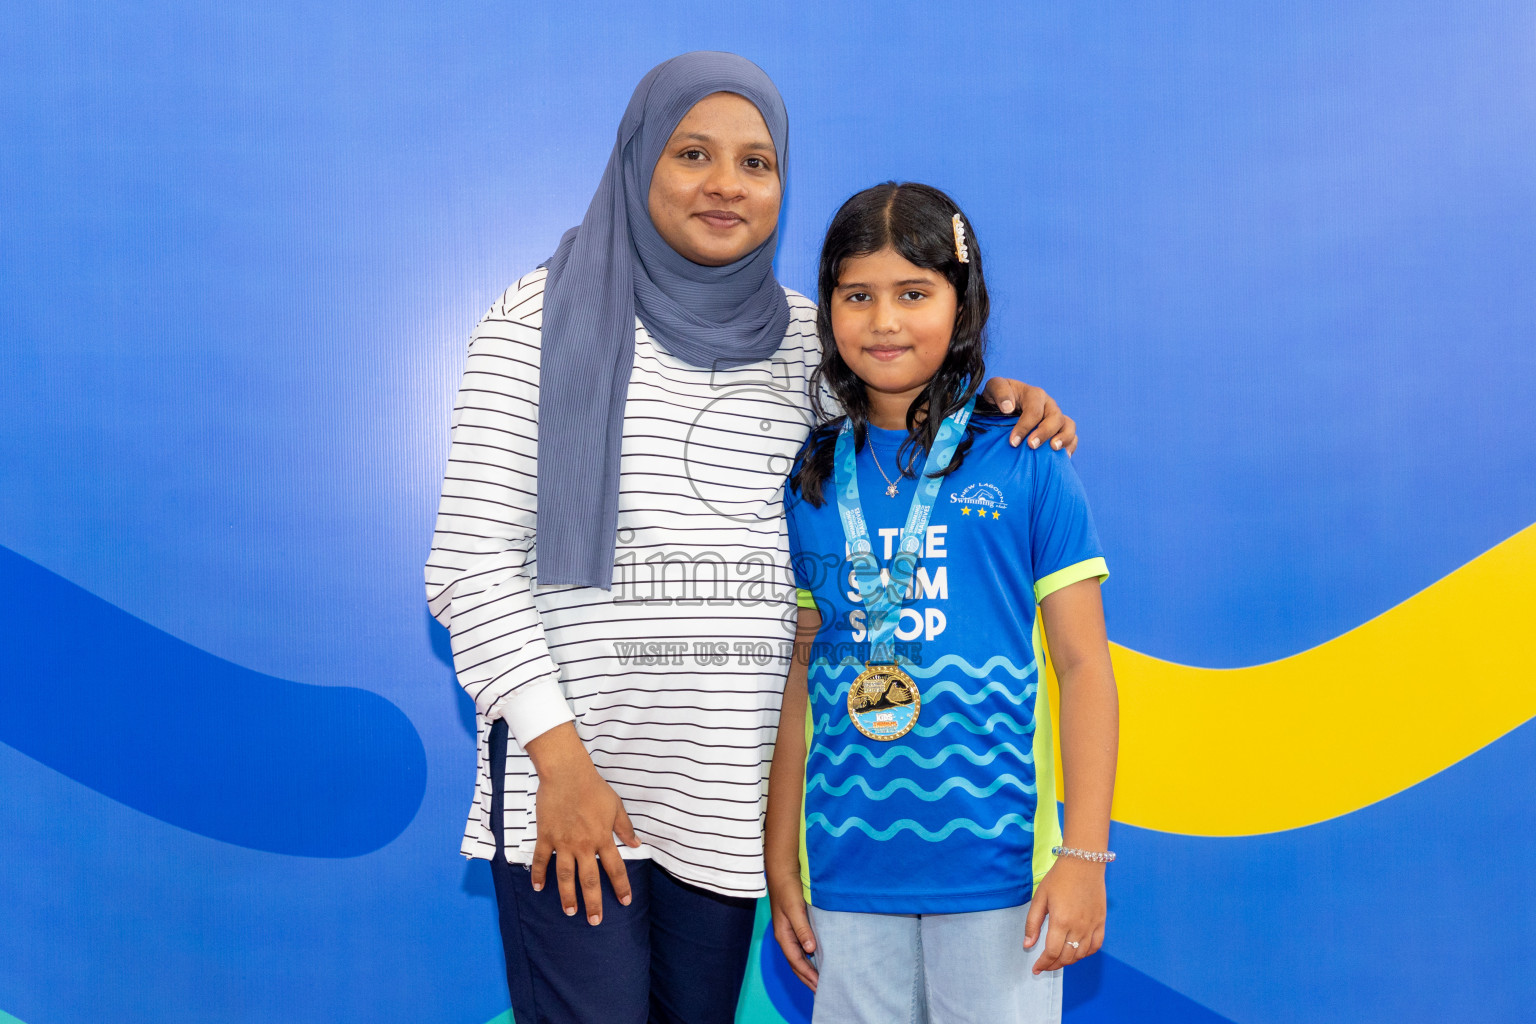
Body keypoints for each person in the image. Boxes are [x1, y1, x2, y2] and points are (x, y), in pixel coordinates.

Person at [425, 54, 1080, 1024]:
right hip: (575, 792)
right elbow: (469, 570)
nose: (726, 183)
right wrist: (558, 764)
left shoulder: (809, 349)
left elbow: (903, 392)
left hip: (722, 810)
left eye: (757, 161)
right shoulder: (534, 322)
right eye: (694, 153)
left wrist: (999, 399)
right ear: (640, 158)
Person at [766, 182, 1119, 1023]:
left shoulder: (1027, 458)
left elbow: (1084, 667)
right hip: (847, 871)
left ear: (962, 306)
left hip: (1003, 874)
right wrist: (782, 855)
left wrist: (1085, 857)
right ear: (829, 310)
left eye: (914, 293)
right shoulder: (808, 478)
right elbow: (797, 684)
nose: (885, 321)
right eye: (859, 296)